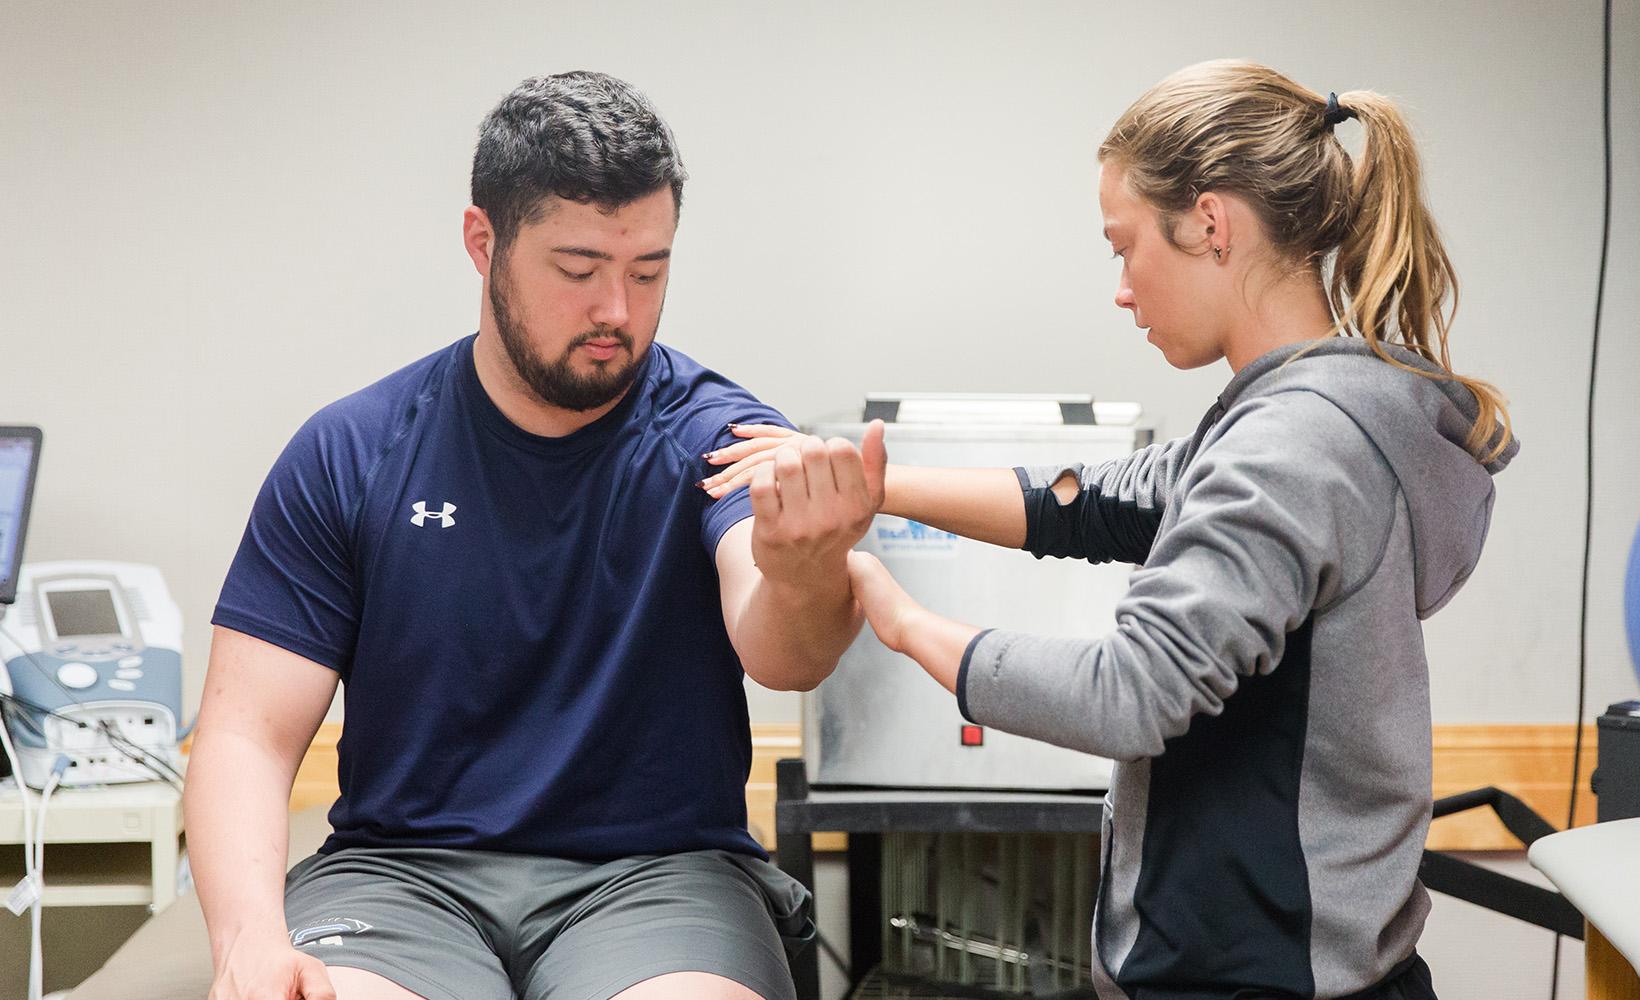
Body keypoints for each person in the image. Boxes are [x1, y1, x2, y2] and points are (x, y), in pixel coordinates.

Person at [707, 60, 1517, 999]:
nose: (1123, 289)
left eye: (1125, 246)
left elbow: (1129, 692)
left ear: (1210, 224)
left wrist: (901, 621)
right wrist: (872, 483)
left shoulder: (1294, 445)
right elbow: (1100, 498)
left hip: (1258, 977)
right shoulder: (1325, 412)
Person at [186, 71, 882, 1000]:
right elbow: (245, 736)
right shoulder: (353, 450)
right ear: (485, 243)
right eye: (579, 270)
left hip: (657, 877)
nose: (618, 313)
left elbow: (784, 653)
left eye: (649, 271)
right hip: (403, 879)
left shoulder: (719, 437)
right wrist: (247, 943)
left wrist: (803, 574)